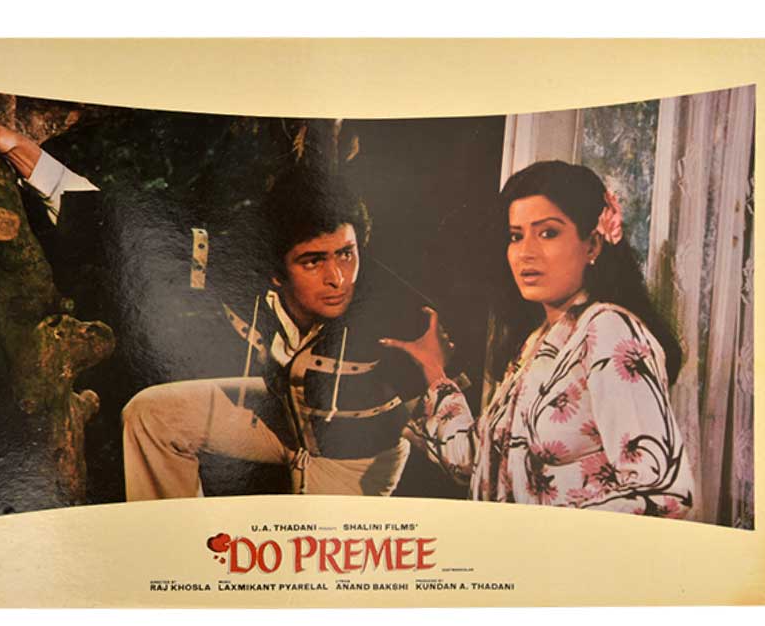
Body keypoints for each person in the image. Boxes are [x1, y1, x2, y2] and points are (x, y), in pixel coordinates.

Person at [383, 161, 694, 518]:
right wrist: (435, 373)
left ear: (592, 244)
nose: (526, 252)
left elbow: (663, 493)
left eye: (548, 233)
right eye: (516, 236)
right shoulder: (535, 345)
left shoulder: (609, 329)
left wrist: (549, 538)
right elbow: (475, 462)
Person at [121, 166, 425, 499]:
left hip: (350, 460)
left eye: (345, 254)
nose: (337, 279)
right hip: (282, 415)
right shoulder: (245, 275)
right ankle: (170, 531)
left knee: (315, 534)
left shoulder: (391, 312)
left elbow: (438, 399)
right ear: (276, 273)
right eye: (313, 261)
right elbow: (181, 245)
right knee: (151, 414)